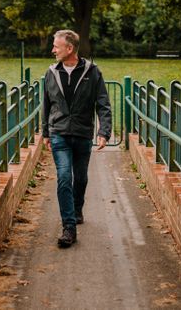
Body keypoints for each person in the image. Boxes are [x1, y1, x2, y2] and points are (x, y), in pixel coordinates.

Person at [42, 29, 112, 248]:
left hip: (82, 133)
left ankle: (77, 208)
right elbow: (46, 105)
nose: (53, 49)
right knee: (64, 177)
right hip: (59, 133)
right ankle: (69, 228)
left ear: (69, 48)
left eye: (56, 46)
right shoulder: (51, 73)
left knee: (80, 178)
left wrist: (104, 132)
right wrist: (45, 132)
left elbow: (103, 103)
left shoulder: (92, 72)